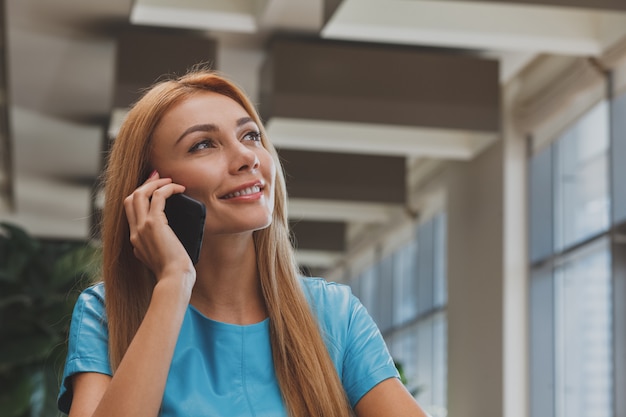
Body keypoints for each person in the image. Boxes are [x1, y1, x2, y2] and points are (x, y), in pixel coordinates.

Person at [57, 68, 429, 417]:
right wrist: (173, 282)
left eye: (250, 135)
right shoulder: (106, 313)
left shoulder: (334, 313)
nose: (246, 157)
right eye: (204, 144)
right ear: (152, 189)